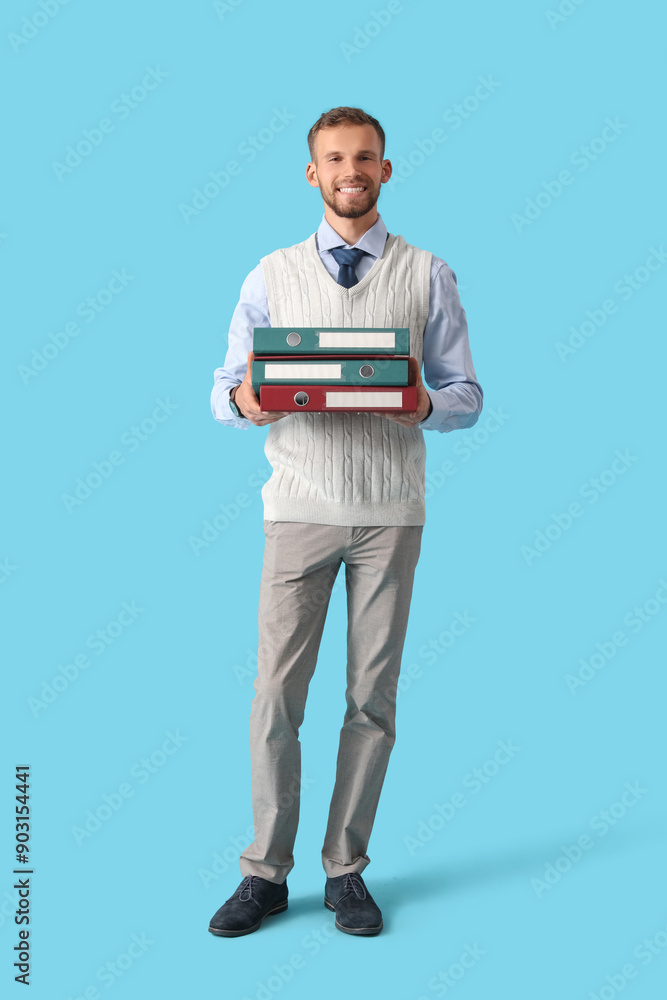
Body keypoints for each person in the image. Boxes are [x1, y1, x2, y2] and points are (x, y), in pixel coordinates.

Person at [208, 106, 483, 938]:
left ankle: (346, 869)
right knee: (274, 699)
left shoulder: (427, 272)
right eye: (334, 159)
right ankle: (264, 871)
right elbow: (223, 388)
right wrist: (248, 399)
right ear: (312, 174)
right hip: (297, 510)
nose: (350, 170)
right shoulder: (269, 273)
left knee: (372, 698)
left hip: (390, 516)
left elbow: (467, 396)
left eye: (364, 157)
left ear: (385, 170)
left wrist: (423, 404)